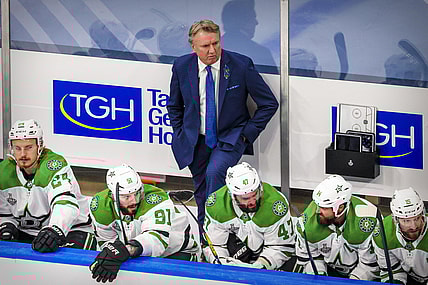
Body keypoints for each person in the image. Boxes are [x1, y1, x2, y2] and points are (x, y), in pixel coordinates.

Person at [167, 19, 279, 237]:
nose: (212, 50)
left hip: (231, 137)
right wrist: (180, 132)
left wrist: (247, 135)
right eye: (205, 46)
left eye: (215, 44)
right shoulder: (181, 66)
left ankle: (216, 234)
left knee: (215, 173)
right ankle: (206, 240)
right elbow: (174, 104)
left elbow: (269, 103)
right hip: (194, 140)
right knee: (201, 192)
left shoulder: (240, 65)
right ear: (193, 47)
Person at [89, 164, 200, 283]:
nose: (133, 201)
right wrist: (113, 253)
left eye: (136, 194)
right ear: (113, 196)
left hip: (177, 253)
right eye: (126, 197)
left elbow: (157, 239)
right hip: (136, 253)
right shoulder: (100, 206)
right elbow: (106, 241)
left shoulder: (156, 198)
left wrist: (126, 250)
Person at [0, 119, 95, 252]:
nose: (23, 154)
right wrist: (7, 225)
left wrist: (55, 229)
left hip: (71, 229)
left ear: (40, 146)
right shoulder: (4, 171)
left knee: (64, 265)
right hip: (31, 231)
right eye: (18, 148)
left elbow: (65, 204)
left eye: (28, 147)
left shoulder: (54, 165)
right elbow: (5, 213)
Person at [202, 162, 295, 270]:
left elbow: (281, 247)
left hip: (267, 257)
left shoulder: (276, 205)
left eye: (255, 195)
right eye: (245, 199)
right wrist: (222, 263)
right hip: (235, 254)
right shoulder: (216, 205)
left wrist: (262, 265)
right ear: (233, 195)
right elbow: (214, 245)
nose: (252, 202)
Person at [294, 175, 379, 280]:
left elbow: (370, 266)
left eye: (324, 208)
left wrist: (352, 282)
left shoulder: (367, 222)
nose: (317, 211)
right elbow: (309, 258)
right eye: (318, 206)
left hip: (359, 276)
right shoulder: (307, 222)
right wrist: (320, 278)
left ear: (340, 208)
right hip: (328, 271)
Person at [372, 187, 427, 285]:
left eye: (417, 218)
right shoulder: (383, 232)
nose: (413, 226)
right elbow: (391, 271)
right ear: (396, 219)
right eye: (406, 221)